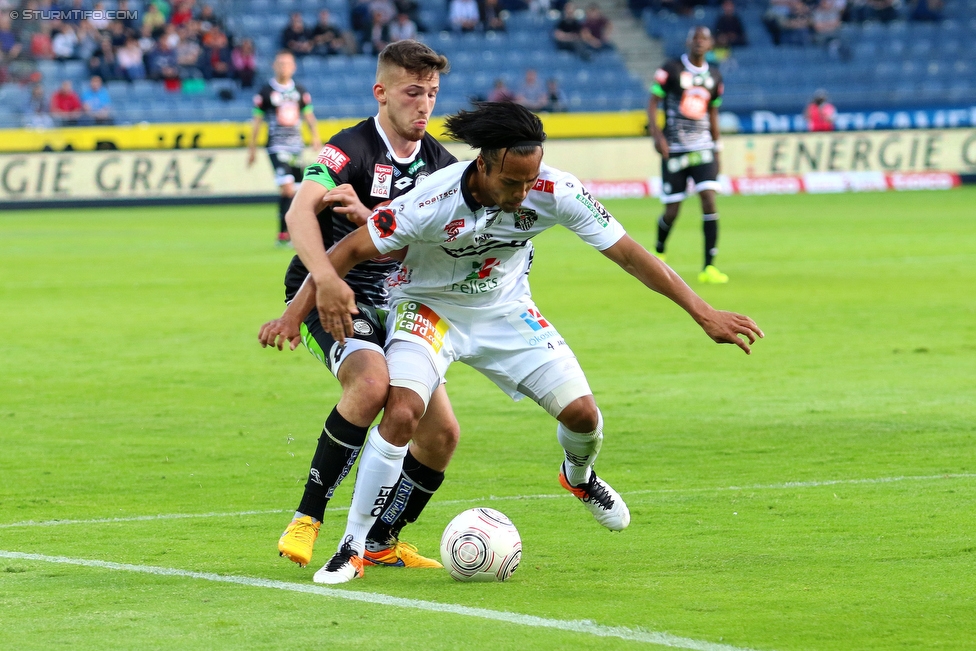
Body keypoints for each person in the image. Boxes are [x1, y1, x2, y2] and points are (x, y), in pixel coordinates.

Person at [307, 101, 763, 584]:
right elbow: (346, 251)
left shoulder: (557, 190)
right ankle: (351, 547)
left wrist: (703, 312)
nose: (523, 193)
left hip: (505, 312)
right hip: (427, 309)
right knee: (402, 412)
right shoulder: (429, 200)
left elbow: (630, 254)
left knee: (584, 416)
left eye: (530, 180)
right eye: (512, 183)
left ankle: (579, 477)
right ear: (482, 164)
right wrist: (296, 312)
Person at [258, 40, 460, 573]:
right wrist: (323, 283)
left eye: (432, 94)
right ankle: (307, 517)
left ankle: (382, 540)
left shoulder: (443, 167)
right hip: (327, 297)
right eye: (413, 93)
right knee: (370, 385)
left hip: (401, 302)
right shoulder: (345, 150)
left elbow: (445, 244)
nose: (424, 105)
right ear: (382, 93)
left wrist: (368, 214)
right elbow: (301, 214)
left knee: (439, 434)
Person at [648, 26, 728, 284]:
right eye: (695, 38)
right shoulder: (671, 69)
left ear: (710, 44)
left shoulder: (715, 76)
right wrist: (657, 136)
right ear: (687, 41)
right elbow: (652, 102)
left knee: (709, 199)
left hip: (703, 147)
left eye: (704, 38)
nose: (699, 42)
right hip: (675, 148)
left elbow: (713, 113)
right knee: (672, 210)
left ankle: (709, 267)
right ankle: (659, 250)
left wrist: (717, 148)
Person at [248, 50, 323, 246]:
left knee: (295, 192)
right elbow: (256, 121)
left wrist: (315, 137)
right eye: (280, 63)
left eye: (287, 64)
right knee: (288, 189)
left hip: (296, 147)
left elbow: (309, 117)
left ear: (293, 67)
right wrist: (252, 149)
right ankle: (287, 233)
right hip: (276, 146)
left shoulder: (299, 90)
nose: (283, 67)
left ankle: (285, 234)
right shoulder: (265, 91)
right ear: (274, 66)